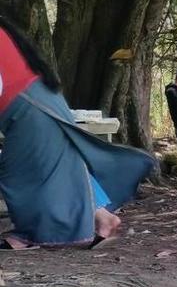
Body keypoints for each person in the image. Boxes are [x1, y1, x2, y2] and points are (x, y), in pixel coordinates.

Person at [0, 16, 155, 249]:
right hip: (38, 101)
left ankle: (31, 234)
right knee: (65, 166)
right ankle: (104, 219)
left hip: (29, 106)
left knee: (18, 172)